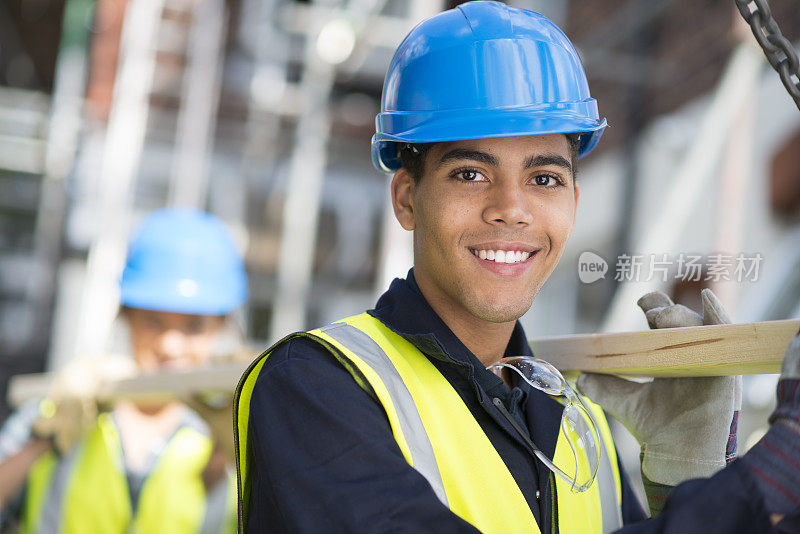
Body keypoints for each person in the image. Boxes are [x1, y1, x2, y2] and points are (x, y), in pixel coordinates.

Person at [234, 2, 799, 533]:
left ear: (573, 204)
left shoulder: (579, 424)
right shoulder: (312, 388)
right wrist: (767, 478)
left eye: (544, 178)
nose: (512, 209)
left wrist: (684, 476)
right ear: (406, 199)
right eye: (470, 174)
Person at [0, 208, 249, 533]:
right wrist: (45, 439)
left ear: (220, 327)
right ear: (126, 316)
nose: (170, 346)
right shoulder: (58, 408)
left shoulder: (234, 430)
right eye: (153, 321)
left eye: (194, 326)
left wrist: (245, 452)